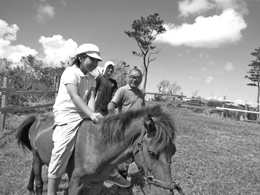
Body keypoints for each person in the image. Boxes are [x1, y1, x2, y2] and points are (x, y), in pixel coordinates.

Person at [47, 44, 127, 195]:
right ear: (81, 58)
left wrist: (92, 114)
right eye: (92, 59)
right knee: (60, 151)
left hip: (83, 113)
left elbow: (91, 97)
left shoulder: (91, 78)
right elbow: (75, 96)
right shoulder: (70, 72)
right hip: (67, 114)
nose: (96, 63)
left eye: (97, 61)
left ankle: (110, 172)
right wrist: (90, 114)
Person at [107, 68, 145, 194]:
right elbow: (111, 106)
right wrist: (114, 122)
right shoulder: (122, 90)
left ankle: (122, 179)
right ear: (128, 77)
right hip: (125, 130)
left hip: (138, 130)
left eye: (138, 77)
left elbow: (143, 111)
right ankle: (121, 187)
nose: (135, 79)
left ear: (141, 79)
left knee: (132, 155)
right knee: (123, 158)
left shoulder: (141, 94)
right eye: (132, 77)